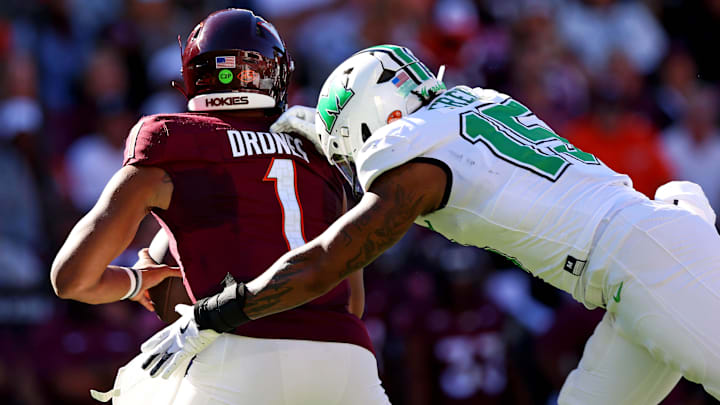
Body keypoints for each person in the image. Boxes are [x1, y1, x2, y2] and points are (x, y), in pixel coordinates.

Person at [139, 44, 720, 405]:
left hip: (644, 264)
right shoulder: (472, 99)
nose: (351, 159)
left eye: (350, 143)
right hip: (642, 261)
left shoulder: (413, 160)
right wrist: (320, 127)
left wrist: (214, 316)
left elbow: (325, 264)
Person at [51, 9, 389, 405]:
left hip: (238, 353)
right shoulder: (320, 150)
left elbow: (72, 279)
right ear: (277, 74)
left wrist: (138, 282)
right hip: (346, 358)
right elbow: (354, 301)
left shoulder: (171, 141)